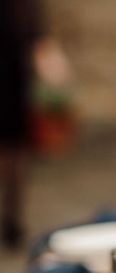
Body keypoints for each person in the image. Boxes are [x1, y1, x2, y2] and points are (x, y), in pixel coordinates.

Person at [0, 1, 43, 248]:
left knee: (15, 151)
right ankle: (11, 222)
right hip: (13, 72)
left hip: (14, 75)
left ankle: (12, 221)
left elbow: (33, 27)